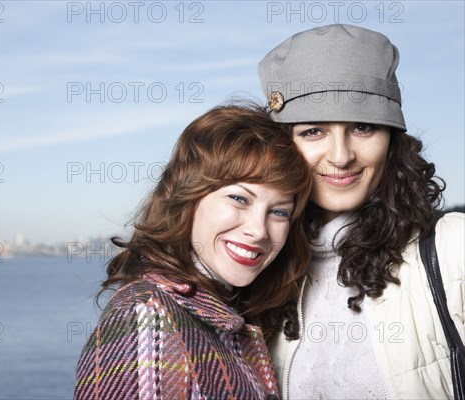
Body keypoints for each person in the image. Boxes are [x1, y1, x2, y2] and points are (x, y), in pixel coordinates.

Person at [257, 24, 465, 399]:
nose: (340, 156)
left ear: (391, 139)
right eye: (313, 132)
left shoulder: (453, 249)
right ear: (282, 145)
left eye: (363, 127)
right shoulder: (262, 268)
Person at [73, 103, 312, 400]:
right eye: (239, 198)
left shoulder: (230, 307)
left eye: (279, 212)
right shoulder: (148, 317)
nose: (259, 230)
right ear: (189, 197)